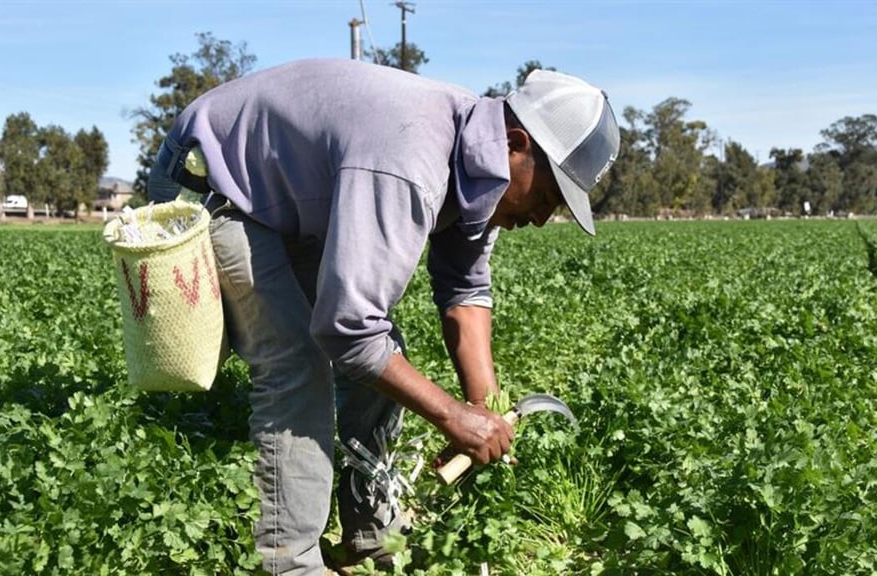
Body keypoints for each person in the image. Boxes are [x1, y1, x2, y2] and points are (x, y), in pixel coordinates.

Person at [147, 58, 619, 575]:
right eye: (548, 196)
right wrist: (451, 416)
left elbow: (464, 289)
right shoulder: (411, 159)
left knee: (385, 360)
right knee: (298, 361)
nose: (542, 218)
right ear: (515, 144)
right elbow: (347, 330)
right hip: (215, 183)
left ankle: (372, 541)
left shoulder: (481, 169)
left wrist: (484, 410)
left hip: (286, 200)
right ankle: (290, 566)